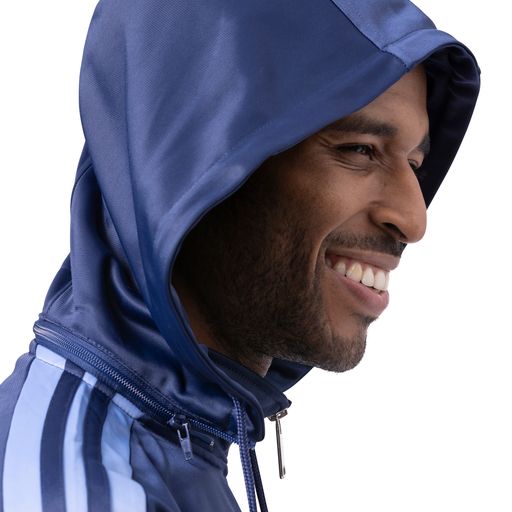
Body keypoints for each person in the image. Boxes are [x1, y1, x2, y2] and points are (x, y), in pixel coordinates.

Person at [0, 1, 480, 511]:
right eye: (359, 149)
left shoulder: (172, 442)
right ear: (195, 165)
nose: (414, 220)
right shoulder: (80, 490)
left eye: (415, 163)